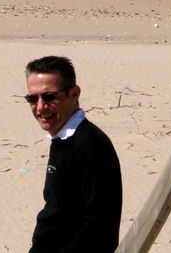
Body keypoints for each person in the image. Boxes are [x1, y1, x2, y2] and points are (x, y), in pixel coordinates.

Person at [25, 55, 122, 252]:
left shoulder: (90, 144)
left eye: (49, 97)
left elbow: (99, 225)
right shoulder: (62, 137)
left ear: (74, 94)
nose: (41, 107)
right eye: (33, 99)